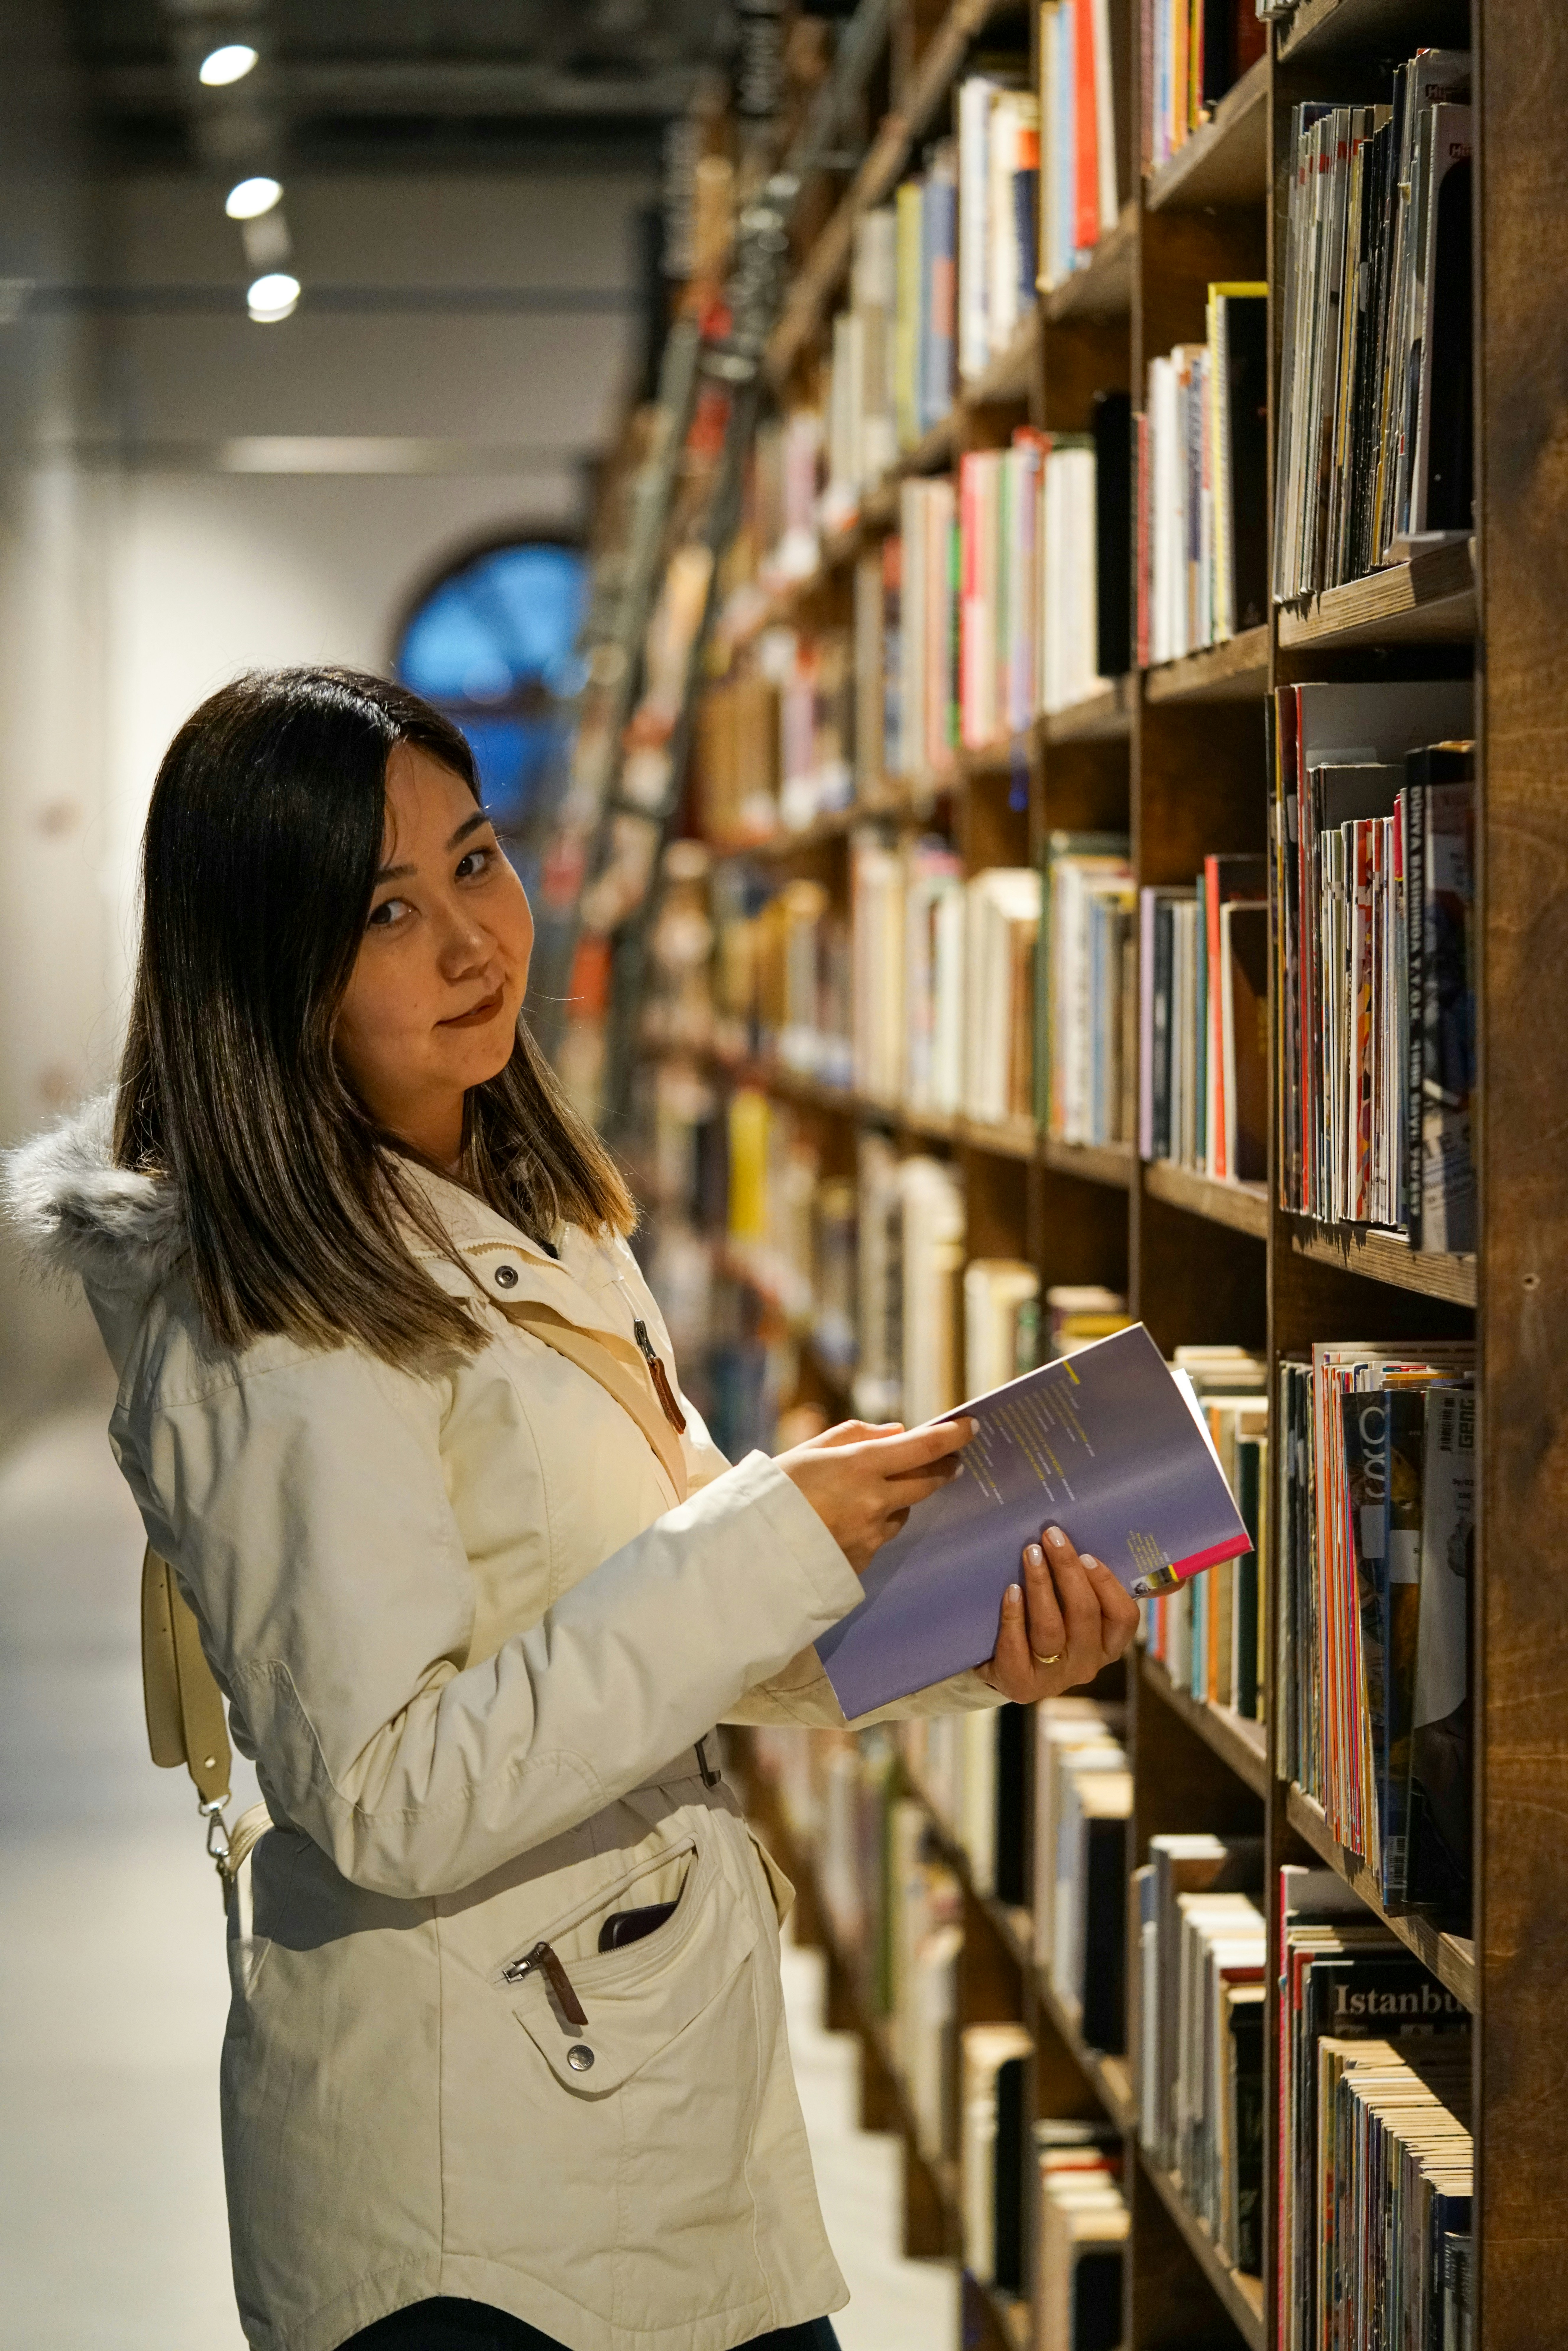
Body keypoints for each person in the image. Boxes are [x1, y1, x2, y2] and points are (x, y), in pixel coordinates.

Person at [5, 668, 1139, 2351]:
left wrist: (975, 1626)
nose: (475, 942)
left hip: (631, 2109)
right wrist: (762, 1540)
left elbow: (668, 1625)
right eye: (387, 910)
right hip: (481, 2199)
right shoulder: (274, 1323)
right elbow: (389, 1793)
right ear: (269, 960)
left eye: (477, 860)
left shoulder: (517, 1202)